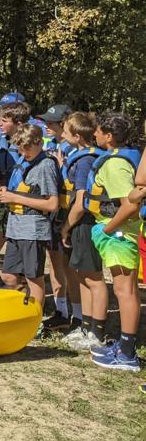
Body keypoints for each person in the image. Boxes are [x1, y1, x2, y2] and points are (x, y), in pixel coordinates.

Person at [82, 113, 142, 371]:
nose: (94, 135)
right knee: (125, 291)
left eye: (97, 131)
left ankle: (127, 353)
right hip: (119, 234)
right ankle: (123, 345)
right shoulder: (122, 157)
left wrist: (107, 228)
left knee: (125, 292)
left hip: (120, 236)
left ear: (109, 136)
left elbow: (129, 204)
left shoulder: (115, 164)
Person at [0, 123, 59, 313]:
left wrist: (14, 197)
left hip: (33, 229)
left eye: (27, 148)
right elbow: (23, 190)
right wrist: (5, 192)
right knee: (8, 276)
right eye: (20, 149)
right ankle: (23, 309)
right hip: (15, 227)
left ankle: (36, 318)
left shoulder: (45, 165)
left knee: (33, 277)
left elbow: (51, 204)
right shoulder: (24, 161)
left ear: (38, 142)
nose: (24, 152)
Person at [58, 112, 101, 349]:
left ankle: (96, 331)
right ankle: (85, 326)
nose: (61, 135)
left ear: (77, 136)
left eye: (65, 131)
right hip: (78, 224)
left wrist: (66, 227)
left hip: (84, 224)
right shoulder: (77, 156)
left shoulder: (85, 161)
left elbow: (81, 200)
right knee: (82, 275)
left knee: (92, 277)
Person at [38, 103, 77, 329]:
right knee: (54, 261)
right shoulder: (50, 145)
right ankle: (60, 310)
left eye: (51, 123)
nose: (46, 126)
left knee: (69, 265)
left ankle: (78, 313)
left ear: (64, 124)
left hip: (68, 212)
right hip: (53, 214)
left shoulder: (73, 149)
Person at [0, 96, 31, 286]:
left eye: (4, 121)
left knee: (22, 248)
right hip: (2, 197)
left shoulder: (31, 145)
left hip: (23, 203)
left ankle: (20, 286)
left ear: (19, 123)